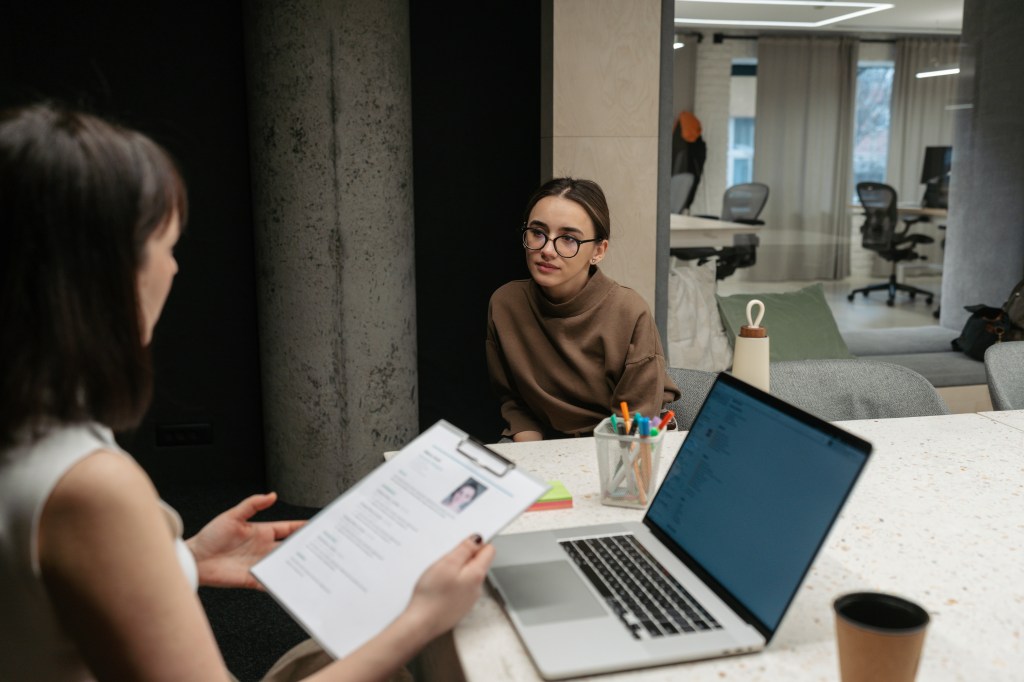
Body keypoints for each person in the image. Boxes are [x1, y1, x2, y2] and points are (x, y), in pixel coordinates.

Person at [0, 103, 494, 681]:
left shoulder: (30, 434)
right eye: (165, 245)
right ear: (101, 275)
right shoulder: (91, 488)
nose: (175, 270)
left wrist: (184, 560)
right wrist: (423, 619)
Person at [486, 177, 680, 442]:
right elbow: (514, 402)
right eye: (537, 232)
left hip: (618, 446)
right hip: (542, 444)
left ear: (598, 251)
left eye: (568, 238)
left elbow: (633, 424)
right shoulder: (506, 303)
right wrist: (530, 460)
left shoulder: (629, 313)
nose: (547, 250)